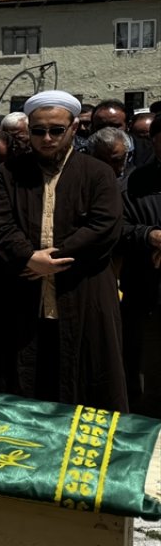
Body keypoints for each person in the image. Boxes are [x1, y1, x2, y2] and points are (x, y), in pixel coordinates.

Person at [0, 90, 128, 412]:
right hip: (25, 294)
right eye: (38, 131)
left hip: (83, 290)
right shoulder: (9, 173)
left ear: (74, 129)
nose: (47, 138)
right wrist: (28, 258)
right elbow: (0, 224)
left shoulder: (97, 172)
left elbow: (105, 227)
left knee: (89, 379)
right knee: (26, 381)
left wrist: (52, 261)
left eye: (56, 130)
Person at [121, 117, 161, 415]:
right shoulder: (133, 184)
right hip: (147, 295)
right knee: (146, 379)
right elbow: (117, 228)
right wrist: (149, 236)